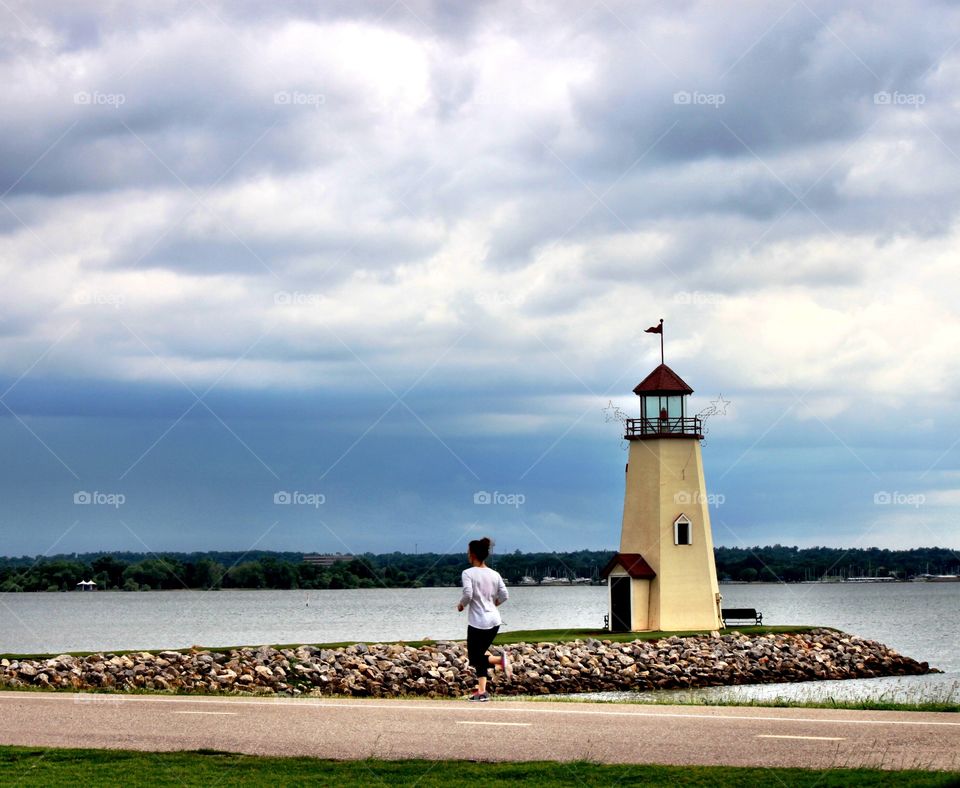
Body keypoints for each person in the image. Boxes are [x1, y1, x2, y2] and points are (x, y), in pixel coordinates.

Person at [457, 536, 512, 701]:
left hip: (478, 622)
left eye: (468, 551)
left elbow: (468, 594)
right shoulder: (495, 574)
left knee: (474, 658)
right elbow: (505, 595)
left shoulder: (468, 573)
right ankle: (482, 692)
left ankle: (501, 661)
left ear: (472, 554)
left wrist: (461, 605)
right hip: (494, 621)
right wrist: (495, 603)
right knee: (481, 655)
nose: (468, 554)